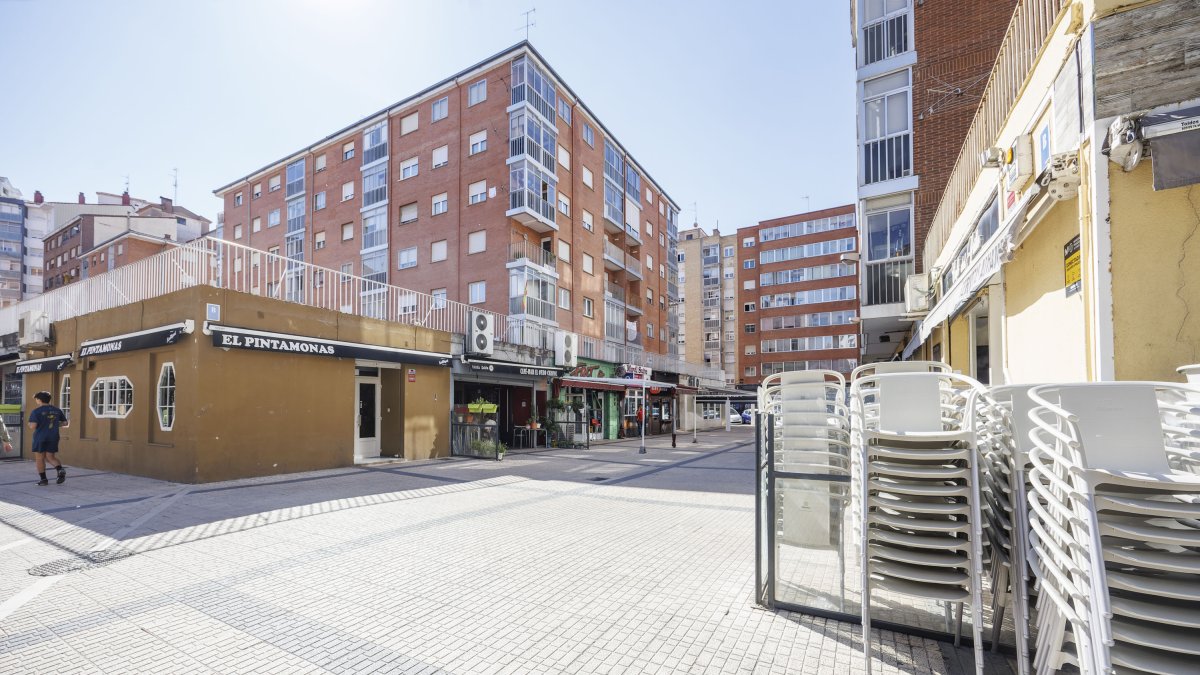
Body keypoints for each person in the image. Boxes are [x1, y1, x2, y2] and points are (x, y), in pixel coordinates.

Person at [27, 391, 68, 486]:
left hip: (40, 437)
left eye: (36, 399)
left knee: (39, 458)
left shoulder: (36, 411)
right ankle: (60, 469)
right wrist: (55, 424)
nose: (36, 401)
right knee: (50, 457)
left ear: (39, 400)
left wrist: (29, 424)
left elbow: (33, 426)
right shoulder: (57, 410)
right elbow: (65, 423)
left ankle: (43, 480)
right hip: (53, 437)